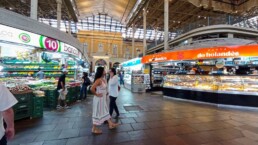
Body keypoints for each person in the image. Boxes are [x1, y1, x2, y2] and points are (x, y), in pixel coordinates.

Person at [91, 67, 118, 134]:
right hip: (98, 99)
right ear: (101, 71)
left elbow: (105, 88)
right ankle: (94, 129)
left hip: (103, 99)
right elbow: (92, 88)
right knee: (97, 113)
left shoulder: (103, 79)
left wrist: (106, 94)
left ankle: (110, 124)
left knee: (105, 111)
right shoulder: (98, 80)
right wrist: (96, 94)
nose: (105, 71)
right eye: (104, 70)